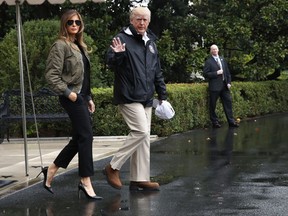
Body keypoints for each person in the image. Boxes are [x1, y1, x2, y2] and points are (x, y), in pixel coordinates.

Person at [103, 5, 167, 191]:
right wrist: (119, 54)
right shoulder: (121, 39)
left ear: (149, 21)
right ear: (131, 20)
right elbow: (110, 62)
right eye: (138, 19)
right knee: (141, 132)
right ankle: (112, 167)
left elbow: (157, 71)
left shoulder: (150, 42)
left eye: (145, 19)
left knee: (144, 139)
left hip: (146, 97)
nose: (142, 22)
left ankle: (139, 178)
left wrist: (162, 94)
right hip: (128, 95)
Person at [40, 9, 102, 200]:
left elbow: (85, 77)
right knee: (86, 135)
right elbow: (51, 76)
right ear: (64, 25)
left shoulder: (79, 45)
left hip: (82, 97)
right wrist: (70, 94)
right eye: (70, 22)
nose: (74, 25)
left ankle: (51, 170)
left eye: (77, 22)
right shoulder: (60, 46)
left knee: (79, 138)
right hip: (71, 98)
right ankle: (85, 180)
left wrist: (89, 97)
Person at [203, 44, 239, 128]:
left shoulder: (222, 59)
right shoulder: (209, 61)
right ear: (211, 51)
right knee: (213, 105)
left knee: (228, 103)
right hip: (214, 87)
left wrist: (229, 82)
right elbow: (205, 74)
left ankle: (231, 121)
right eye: (213, 49)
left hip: (224, 86)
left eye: (216, 49)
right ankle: (215, 122)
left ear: (218, 50)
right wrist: (216, 73)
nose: (215, 51)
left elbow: (227, 72)